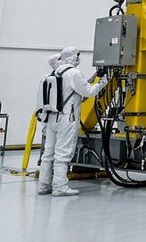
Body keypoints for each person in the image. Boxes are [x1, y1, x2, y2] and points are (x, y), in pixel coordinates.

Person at [39, 47, 107, 197]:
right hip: (66, 118)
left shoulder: (53, 73)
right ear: (73, 57)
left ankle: (44, 185)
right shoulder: (74, 73)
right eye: (77, 55)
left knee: (48, 153)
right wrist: (103, 82)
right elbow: (88, 91)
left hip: (51, 118)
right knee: (63, 153)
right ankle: (60, 187)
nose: (78, 58)